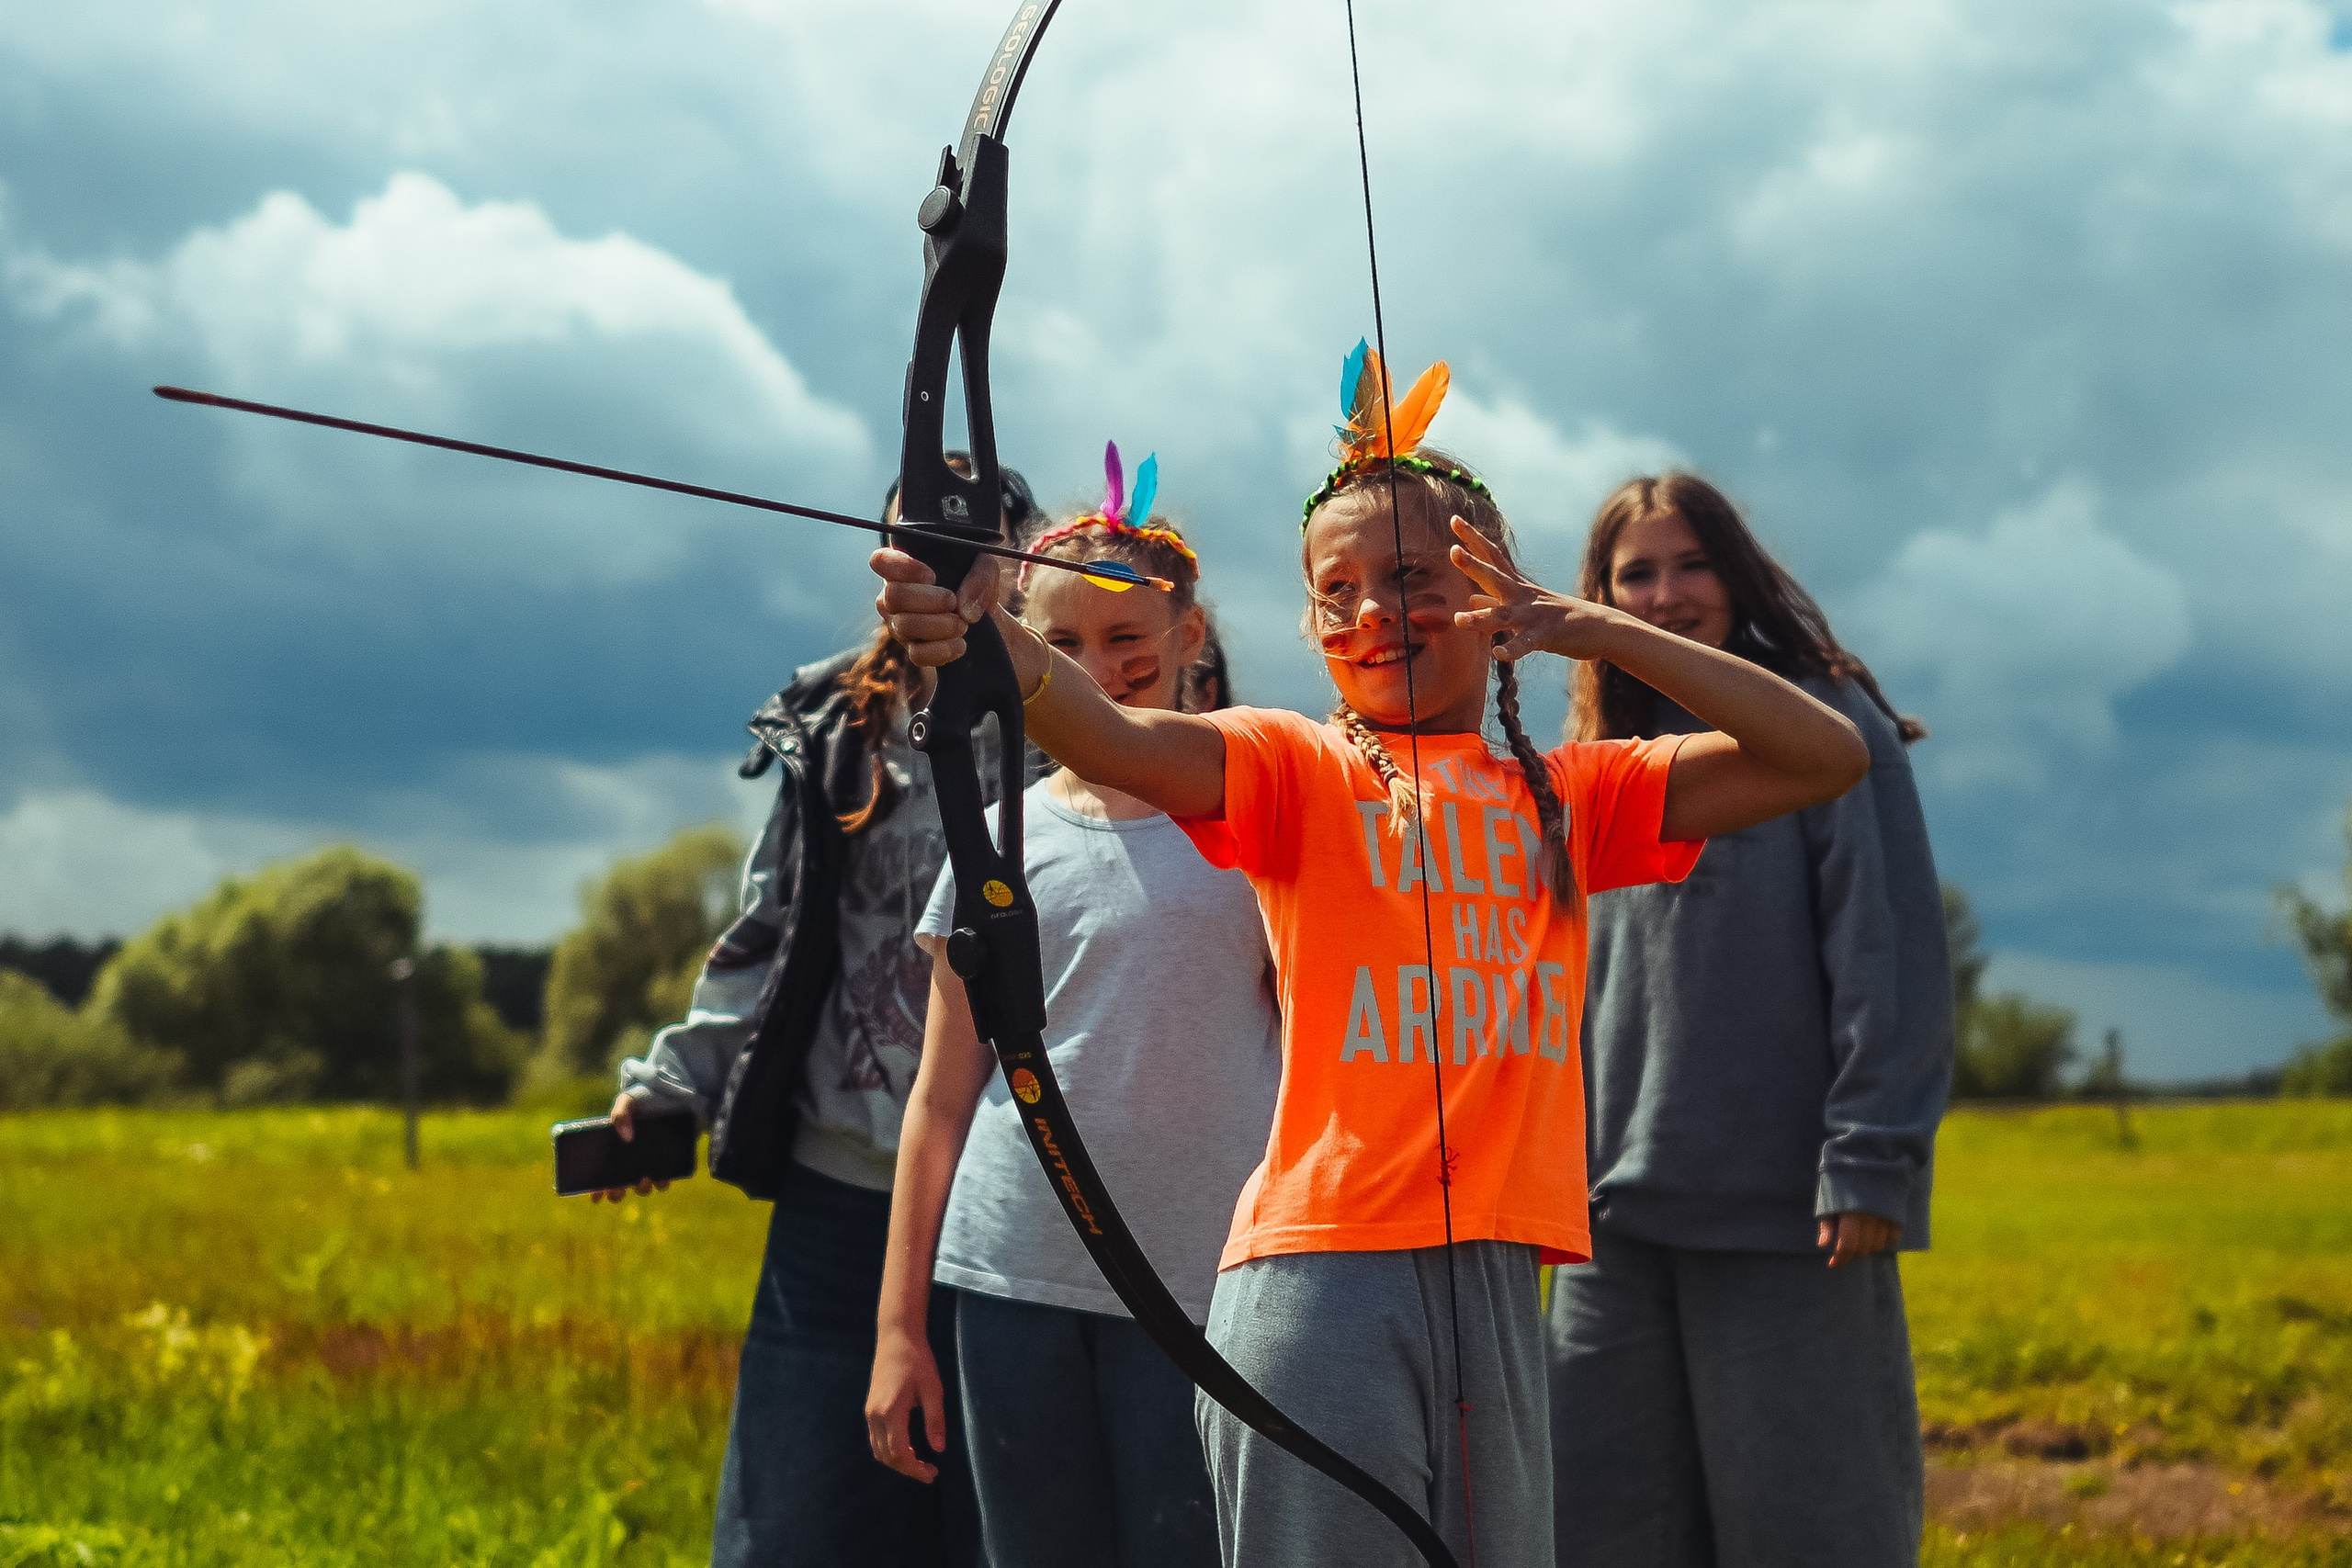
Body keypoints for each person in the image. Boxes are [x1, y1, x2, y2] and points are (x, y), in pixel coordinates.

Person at [868, 348, 1871, 1568]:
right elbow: (1112, 731)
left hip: (1502, 1270)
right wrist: (982, 632)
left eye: (1412, 577)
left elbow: (1825, 753)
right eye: (1336, 589)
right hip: (1319, 1277)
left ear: (1497, 590)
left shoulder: (1573, 794)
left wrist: (1585, 624)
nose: (1373, 612)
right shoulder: (1294, 766)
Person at [603, 453, 1038, 1568]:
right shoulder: (839, 718)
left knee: (998, 1530)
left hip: (1021, 1210)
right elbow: (767, 933)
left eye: (968, 545)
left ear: (1020, 557)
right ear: (881, 557)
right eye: (914, 544)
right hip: (840, 1193)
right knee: (790, 1530)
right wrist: (671, 1087)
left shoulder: (1073, 713)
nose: (935, 569)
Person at [865, 446, 1276, 1568]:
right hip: (1011, 1276)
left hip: (1201, 1287)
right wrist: (900, 1327)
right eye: (1064, 644)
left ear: (1191, 638)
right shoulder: (1005, 830)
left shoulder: (1264, 818)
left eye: (1128, 639)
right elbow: (942, 1102)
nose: (1098, 667)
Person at [1546, 472, 1953, 1568]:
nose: (1668, 594)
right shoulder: (1597, 755)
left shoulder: (1821, 724)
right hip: (1609, 1220)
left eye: (1693, 565)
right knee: (1601, 1524)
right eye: (1638, 574)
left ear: (1739, 573)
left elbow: (1889, 948)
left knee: (1809, 1527)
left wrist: (1870, 1159)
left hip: (1787, 1212)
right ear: (1600, 598)